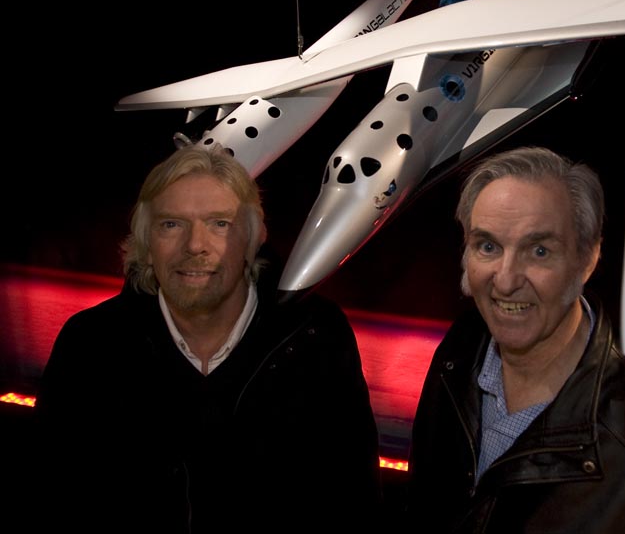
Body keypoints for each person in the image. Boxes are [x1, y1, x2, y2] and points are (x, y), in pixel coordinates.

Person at [31, 144, 382, 533]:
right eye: (171, 224)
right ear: (145, 246)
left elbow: (355, 509)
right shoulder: (91, 345)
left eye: (220, 224)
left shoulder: (318, 337)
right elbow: (52, 502)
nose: (195, 245)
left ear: (254, 238)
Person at [405, 145, 625, 533]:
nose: (505, 280)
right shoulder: (458, 356)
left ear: (586, 259)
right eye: (488, 246)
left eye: (539, 251)